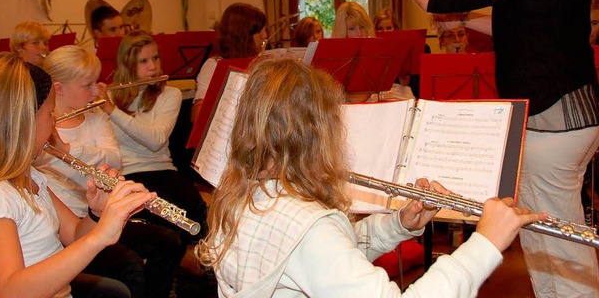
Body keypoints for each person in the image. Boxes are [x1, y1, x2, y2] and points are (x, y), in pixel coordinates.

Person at [362, 0, 599, 297]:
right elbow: (527, 26)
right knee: (543, 234)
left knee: (560, 241)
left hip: (553, 120)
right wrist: (468, 18)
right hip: (570, 116)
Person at [196, 58, 545, 297]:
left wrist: (397, 224)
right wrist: (484, 244)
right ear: (318, 135)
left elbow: (324, 256)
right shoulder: (310, 229)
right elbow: (317, 246)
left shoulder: (246, 194)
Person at [0, 52, 154, 298]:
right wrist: (101, 236)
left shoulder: (27, 175)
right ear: (24, 122)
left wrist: (98, 214)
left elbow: (73, 234)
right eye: (50, 113)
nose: (53, 121)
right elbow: (8, 291)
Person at [36, 45, 183, 298]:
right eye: (88, 85)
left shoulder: (95, 115)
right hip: (67, 224)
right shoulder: (39, 129)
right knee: (129, 267)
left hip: (97, 214)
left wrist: (68, 149)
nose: (97, 92)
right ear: (59, 88)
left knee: (167, 240)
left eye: (97, 83)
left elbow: (114, 160)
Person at [97, 31, 208, 240]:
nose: (152, 67)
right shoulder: (109, 96)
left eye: (155, 58)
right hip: (127, 173)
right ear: (127, 65)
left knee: (197, 213)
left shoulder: (170, 95)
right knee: (169, 222)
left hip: (163, 169)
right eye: (143, 61)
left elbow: (156, 141)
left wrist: (113, 111)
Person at [191, 3, 268, 122]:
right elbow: (198, 116)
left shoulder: (261, 63)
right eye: (258, 31)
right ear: (243, 35)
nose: (265, 35)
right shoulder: (214, 66)